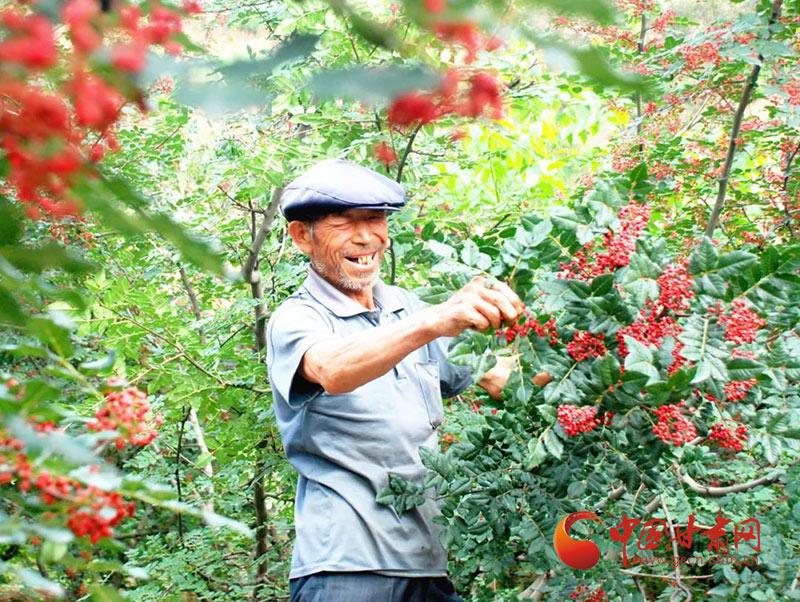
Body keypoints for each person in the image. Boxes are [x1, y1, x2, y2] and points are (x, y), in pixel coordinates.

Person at [266, 159, 529, 602]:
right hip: (345, 570)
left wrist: (598, 362)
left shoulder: (408, 308)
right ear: (300, 236)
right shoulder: (298, 317)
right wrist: (436, 319)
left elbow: (506, 380)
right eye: (342, 223)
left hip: (427, 566)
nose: (365, 236)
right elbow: (333, 369)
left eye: (374, 219)